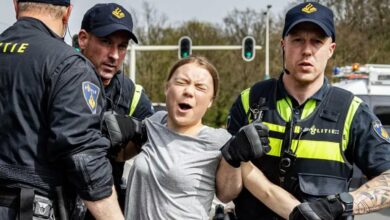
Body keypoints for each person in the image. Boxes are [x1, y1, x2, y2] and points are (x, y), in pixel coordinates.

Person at [217, 1, 390, 220]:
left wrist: (341, 205)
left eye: (316, 41)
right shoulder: (249, 101)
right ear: (283, 45)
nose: (306, 50)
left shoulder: (352, 111)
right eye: (297, 40)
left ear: (331, 49)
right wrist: (231, 157)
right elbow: (224, 194)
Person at [101, 56, 268, 219]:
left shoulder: (219, 140)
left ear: (211, 100)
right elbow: (119, 156)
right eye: (181, 83)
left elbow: (226, 195)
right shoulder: (154, 122)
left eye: (200, 87)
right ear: (167, 88)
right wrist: (111, 132)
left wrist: (234, 158)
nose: (188, 91)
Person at [0, 0, 123, 219]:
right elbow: (84, 158)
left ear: (16, 5)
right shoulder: (70, 66)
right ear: (67, 13)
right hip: (27, 208)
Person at [77, 3, 154, 213]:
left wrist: (138, 130)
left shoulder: (131, 93)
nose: (114, 55)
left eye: (122, 46)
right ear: (83, 39)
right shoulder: (60, 77)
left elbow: (163, 131)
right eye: (105, 42)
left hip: (105, 207)